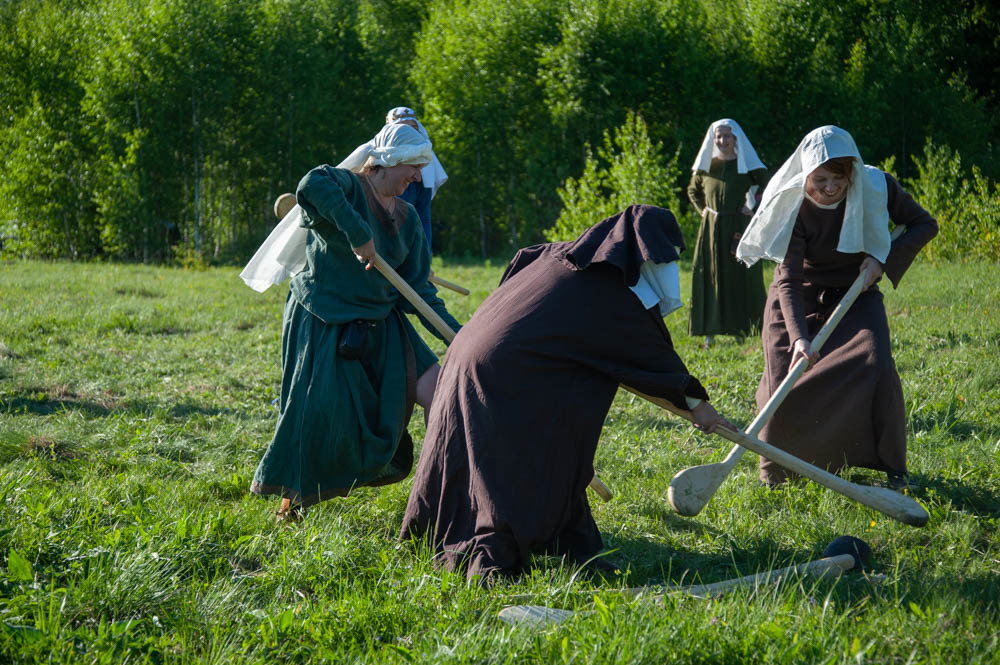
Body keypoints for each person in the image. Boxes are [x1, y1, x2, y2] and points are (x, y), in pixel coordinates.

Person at [400, 205, 734, 582]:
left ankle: (571, 542)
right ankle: (491, 551)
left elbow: (518, 266)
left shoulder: (555, 254)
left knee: (559, 445)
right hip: (505, 374)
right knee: (506, 463)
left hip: (469, 355)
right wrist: (698, 406)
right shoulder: (607, 288)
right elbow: (649, 352)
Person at [243, 122, 462, 520]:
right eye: (413, 166)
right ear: (387, 161)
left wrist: (461, 338)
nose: (417, 176)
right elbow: (311, 185)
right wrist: (359, 232)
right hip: (326, 317)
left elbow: (419, 292)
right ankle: (291, 504)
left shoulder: (409, 218)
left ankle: (439, 500)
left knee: (441, 392)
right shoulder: (345, 187)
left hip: (381, 319)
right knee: (317, 414)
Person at [736, 125, 937, 490]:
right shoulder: (792, 203)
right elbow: (789, 279)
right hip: (797, 296)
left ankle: (889, 468)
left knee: (874, 363)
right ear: (806, 174)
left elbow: (924, 224)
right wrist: (798, 339)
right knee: (783, 380)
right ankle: (778, 472)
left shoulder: (877, 186)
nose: (830, 188)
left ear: (852, 173)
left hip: (856, 293)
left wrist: (882, 261)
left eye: (839, 179)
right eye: (821, 179)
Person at [687, 119, 770, 348]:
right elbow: (693, 190)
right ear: (713, 140)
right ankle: (709, 332)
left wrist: (751, 207)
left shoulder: (747, 165)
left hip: (737, 228)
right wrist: (702, 209)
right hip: (711, 230)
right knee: (711, 275)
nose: (723, 141)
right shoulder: (707, 165)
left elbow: (768, 186)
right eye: (719, 137)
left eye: (727, 136)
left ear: (735, 139)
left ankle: (741, 329)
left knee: (737, 276)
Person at [384, 107, 448, 257]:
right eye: (401, 128)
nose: (408, 134)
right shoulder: (377, 169)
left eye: (412, 128)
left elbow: (423, 217)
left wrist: (424, 257)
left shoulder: (423, 175)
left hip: (408, 249)